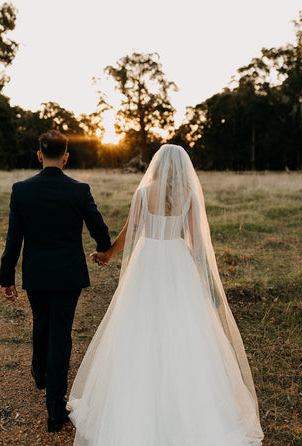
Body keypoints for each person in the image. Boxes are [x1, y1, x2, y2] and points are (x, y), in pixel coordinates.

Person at [68, 144, 264, 446]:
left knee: (138, 324)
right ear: (183, 167)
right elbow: (197, 241)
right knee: (182, 327)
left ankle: (134, 399)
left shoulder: (144, 192)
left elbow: (131, 231)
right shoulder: (189, 194)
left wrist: (109, 254)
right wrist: (198, 275)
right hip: (176, 259)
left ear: (157, 166)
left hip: (147, 260)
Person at [0, 130, 111, 432]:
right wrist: (103, 250)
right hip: (68, 275)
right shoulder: (79, 190)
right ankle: (55, 410)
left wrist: (6, 276)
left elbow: (14, 239)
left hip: (36, 274)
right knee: (60, 334)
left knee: (41, 321)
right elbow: (99, 230)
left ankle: (39, 370)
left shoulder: (21, 190)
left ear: (39, 155)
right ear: (66, 156)